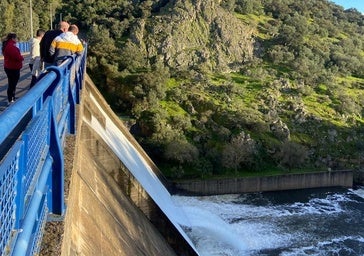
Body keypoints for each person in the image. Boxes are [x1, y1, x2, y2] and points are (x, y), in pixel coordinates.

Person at [2, 33, 24, 104]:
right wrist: (22, 58)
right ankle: (11, 99)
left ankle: (12, 98)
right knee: (12, 84)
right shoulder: (11, 46)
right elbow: (17, 57)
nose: (17, 40)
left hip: (9, 67)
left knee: (11, 83)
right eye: (16, 38)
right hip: (13, 68)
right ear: (13, 38)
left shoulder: (8, 45)